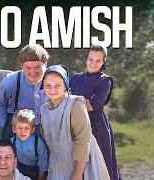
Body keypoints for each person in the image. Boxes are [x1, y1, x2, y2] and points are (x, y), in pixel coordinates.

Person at [40, 64, 110, 179]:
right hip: (57, 163)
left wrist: (77, 174)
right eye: (48, 85)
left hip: (81, 163)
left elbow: (83, 140)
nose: (52, 89)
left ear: (65, 86)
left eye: (57, 85)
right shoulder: (43, 110)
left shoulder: (75, 104)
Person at [69, 44, 119, 180]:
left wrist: (70, 102)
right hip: (75, 126)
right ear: (86, 59)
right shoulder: (75, 78)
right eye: (90, 59)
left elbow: (91, 105)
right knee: (77, 166)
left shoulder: (105, 81)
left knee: (100, 166)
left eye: (98, 60)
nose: (93, 63)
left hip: (96, 127)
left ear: (103, 62)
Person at [0, 44, 49, 140]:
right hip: (19, 128)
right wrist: (6, 125)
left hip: (46, 127)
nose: (33, 72)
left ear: (46, 64)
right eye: (28, 68)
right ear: (21, 66)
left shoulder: (54, 80)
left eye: (37, 67)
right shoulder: (10, 81)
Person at [10, 109, 48, 180]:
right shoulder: (12, 142)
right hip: (19, 170)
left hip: (35, 171)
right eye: (19, 128)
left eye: (27, 128)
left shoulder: (38, 143)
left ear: (32, 129)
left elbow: (43, 167)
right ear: (14, 129)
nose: (23, 131)